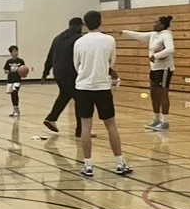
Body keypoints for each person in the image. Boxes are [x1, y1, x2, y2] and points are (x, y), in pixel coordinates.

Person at [74, 11, 132, 177]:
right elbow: (111, 63)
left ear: (85, 24)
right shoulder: (109, 40)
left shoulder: (79, 42)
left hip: (83, 88)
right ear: (100, 22)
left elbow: (76, 65)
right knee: (111, 125)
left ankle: (88, 165)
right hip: (102, 88)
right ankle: (119, 163)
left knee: (86, 126)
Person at [120, 15, 176, 131]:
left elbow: (170, 49)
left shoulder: (166, 35)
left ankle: (165, 122)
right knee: (153, 94)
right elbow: (139, 36)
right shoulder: (153, 34)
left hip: (164, 69)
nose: (153, 24)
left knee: (163, 94)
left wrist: (155, 56)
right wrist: (124, 32)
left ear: (162, 25)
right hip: (154, 69)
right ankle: (156, 119)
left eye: (156, 22)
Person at [42, 17, 85, 136]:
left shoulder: (57, 38)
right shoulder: (78, 39)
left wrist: (45, 72)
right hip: (71, 73)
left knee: (65, 95)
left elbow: (50, 56)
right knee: (79, 99)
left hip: (58, 73)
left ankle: (51, 118)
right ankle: (81, 129)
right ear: (78, 26)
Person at [3, 45, 25, 118]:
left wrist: (23, 72)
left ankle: (16, 110)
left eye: (16, 51)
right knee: (12, 95)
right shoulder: (9, 61)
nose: (16, 53)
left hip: (17, 80)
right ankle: (15, 108)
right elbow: (5, 71)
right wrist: (11, 70)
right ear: (11, 53)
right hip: (10, 80)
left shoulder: (21, 61)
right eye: (14, 51)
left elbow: (24, 70)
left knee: (15, 93)